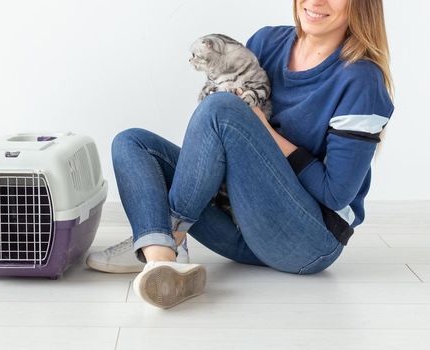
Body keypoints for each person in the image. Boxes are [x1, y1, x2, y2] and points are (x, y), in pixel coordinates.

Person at [87, 0, 394, 309]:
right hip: (240, 226)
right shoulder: (266, 43)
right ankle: (159, 255)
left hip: (308, 241)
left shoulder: (361, 80)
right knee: (131, 143)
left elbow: (335, 193)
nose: (316, 1)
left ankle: (161, 238)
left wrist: (266, 132)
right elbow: (225, 142)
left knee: (221, 109)